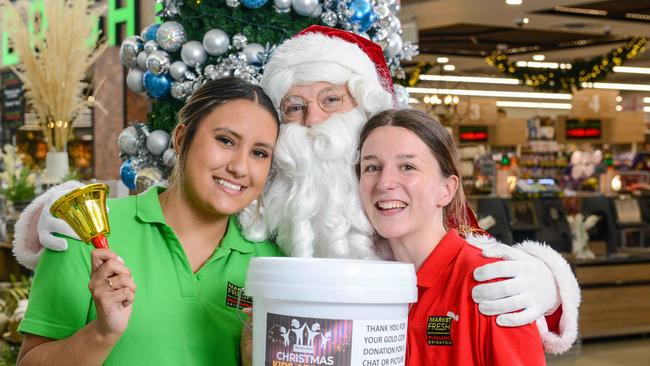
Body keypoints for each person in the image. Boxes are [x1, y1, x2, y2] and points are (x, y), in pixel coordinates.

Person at [14, 26, 579, 354]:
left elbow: (464, 245)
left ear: (366, 110)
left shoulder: (395, 206)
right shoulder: (266, 213)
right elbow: (187, 206)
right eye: (295, 107)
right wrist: (59, 213)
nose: (312, 121)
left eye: (332, 100)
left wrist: (547, 280)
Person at [15, 77, 283, 365]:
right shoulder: (87, 229)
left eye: (259, 153)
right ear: (181, 139)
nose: (239, 167)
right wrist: (102, 334)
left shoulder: (272, 263)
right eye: (225, 140)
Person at [358, 109, 546, 365]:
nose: (384, 183)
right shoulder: (367, 285)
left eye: (408, 166)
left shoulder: (491, 283)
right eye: (372, 167)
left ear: (447, 190)